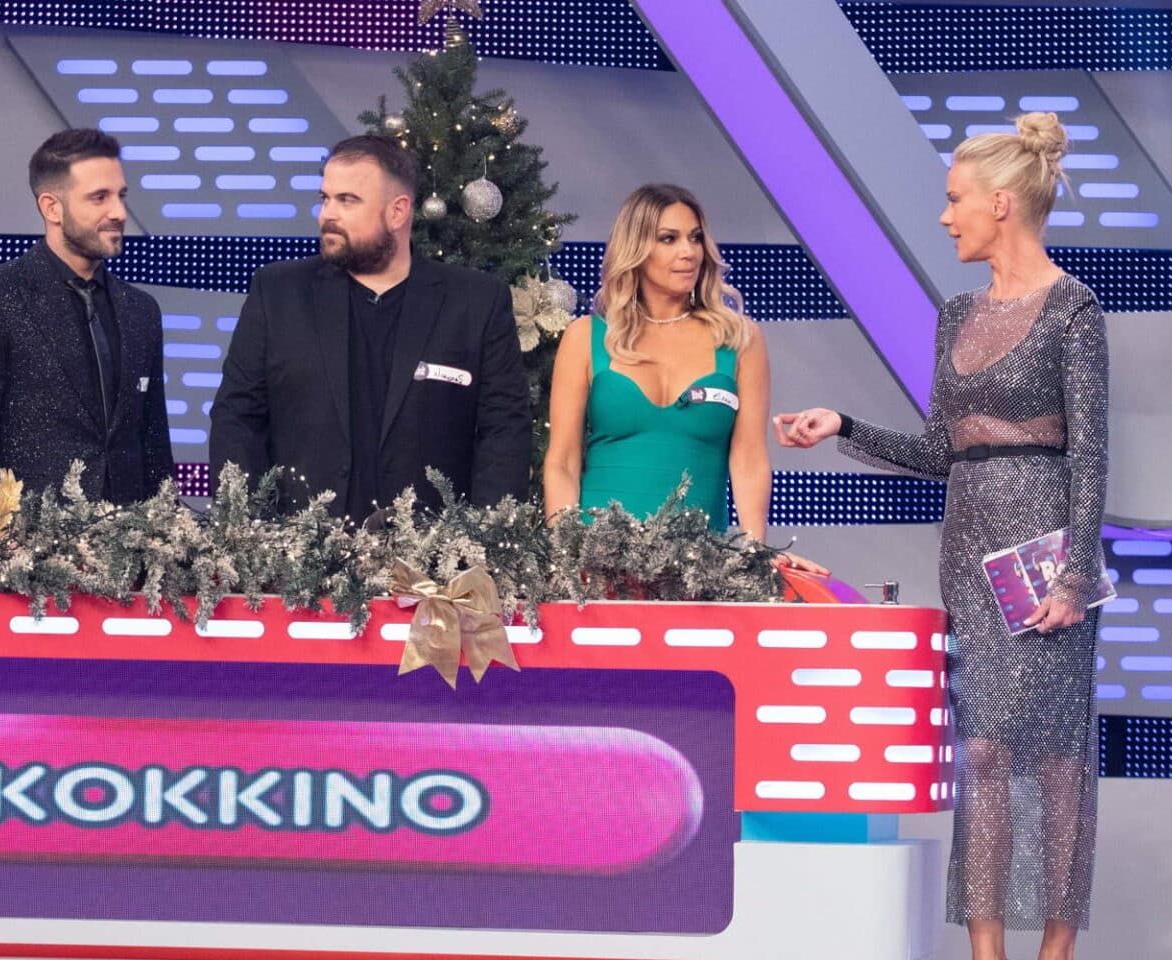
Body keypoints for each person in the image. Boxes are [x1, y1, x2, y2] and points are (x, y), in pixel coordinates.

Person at [776, 113, 1105, 960]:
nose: (944, 216)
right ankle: (986, 953)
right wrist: (843, 424)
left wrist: (1074, 577)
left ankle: (1056, 952)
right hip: (969, 551)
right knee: (983, 750)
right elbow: (937, 450)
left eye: (956, 199)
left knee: (1056, 758)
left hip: (1044, 556)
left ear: (1001, 204)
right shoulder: (956, 312)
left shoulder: (1074, 308)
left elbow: (1091, 454)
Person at [209, 135, 529, 521]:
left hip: (432, 551)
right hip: (296, 549)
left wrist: (484, 540)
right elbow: (236, 418)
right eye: (325, 198)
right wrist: (248, 531)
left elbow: (504, 433)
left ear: (398, 211)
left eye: (347, 200)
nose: (326, 215)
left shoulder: (475, 302)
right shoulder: (278, 292)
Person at [542, 184, 821, 572]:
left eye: (695, 238)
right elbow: (563, 460)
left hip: (700, 568)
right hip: (598, 565)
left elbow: (749, 459)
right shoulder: (586, 337)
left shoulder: (739, 338)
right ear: (636, 248)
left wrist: (754, 555)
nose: (689, 252)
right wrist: (565, 556)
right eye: (668, 239)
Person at [0, 129, 173, 503]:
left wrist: (166, 524)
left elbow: (154, 443)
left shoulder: (141, 309)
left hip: (130, 533)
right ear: (51, 207)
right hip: (29, 532)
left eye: (121, 196)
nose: (118, 212)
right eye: (99, 197)